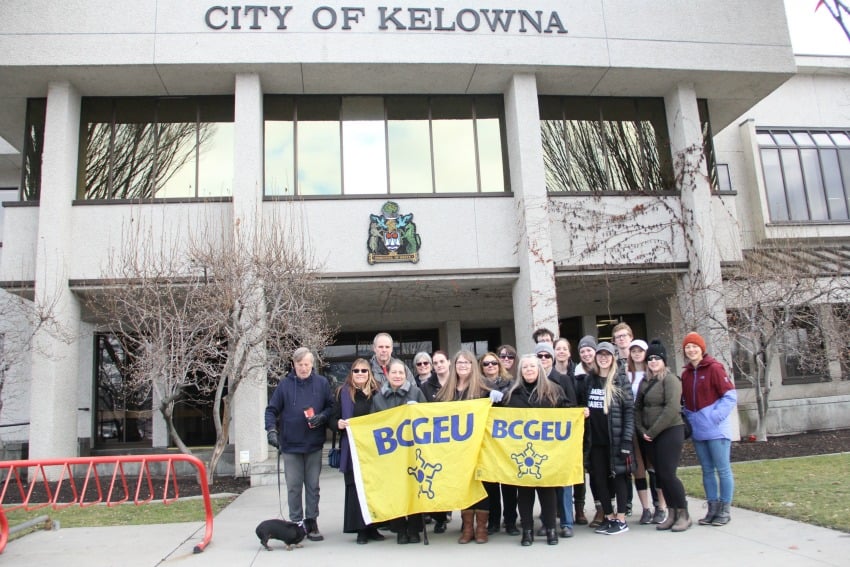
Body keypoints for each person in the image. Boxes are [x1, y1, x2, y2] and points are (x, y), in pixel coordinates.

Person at [264, 347, 334, 542]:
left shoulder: (321, 383)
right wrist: (271, 430)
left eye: (307, 364)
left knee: (313, 486)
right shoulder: (285, 386)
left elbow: (331, 406)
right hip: (290, 445)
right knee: (294, 486)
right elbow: (271, 410)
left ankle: (311, 522)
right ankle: (295, 523)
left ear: (312, 364)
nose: (304, 368)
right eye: (300, 364)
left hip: (313, 444)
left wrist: (322, 417)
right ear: (293, 365)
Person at [501, 353, 568, 546]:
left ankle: (550, 530)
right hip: (522, 453)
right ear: (520, 371)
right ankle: (527, 531)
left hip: (547, 451)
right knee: (525, 493)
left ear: (539, 369)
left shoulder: (553, 390)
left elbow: (567, 411)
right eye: (525, 367)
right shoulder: (512, 394)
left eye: (532, 367)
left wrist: (581, 413)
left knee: (547, 491)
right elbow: (500, 418)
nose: (529, 370)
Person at [681, 332, 737, 527]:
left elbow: (730, 396)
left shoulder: (714, 368)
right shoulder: (686, 374)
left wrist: (714, 416)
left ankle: (724, 509)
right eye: (688, 347)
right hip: (698, 431)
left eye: (694, 346)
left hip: (716, 430)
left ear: (702, 348)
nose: (691, 350)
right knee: (706, 470)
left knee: (723, 470)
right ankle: (712, 508)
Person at [436, 350, 492, 543]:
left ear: (473, 366)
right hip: (457, 449)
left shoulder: (484, 389)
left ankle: (482, 528)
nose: (463, 366)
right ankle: (467, 528)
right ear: (454, 365)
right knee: (465, 486)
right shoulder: (446, 391)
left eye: (467, 363)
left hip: (479, 447)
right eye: (460, 363)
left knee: (481, 484)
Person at [635, 340, 691, 532]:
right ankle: (672, 513)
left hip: (670, 431)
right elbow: (638, 408)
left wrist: (651, 431)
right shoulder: (645, 381)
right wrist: (642, 429)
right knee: (660, 475)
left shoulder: (671, 380)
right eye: (650, 358)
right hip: (650, 435)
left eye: (657, 358)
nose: (653, 361)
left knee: (669, 473)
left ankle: (684, 513)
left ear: (664, 360)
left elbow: (671, 409)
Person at [371, 358, 428, 544]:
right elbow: (373, 423)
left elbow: (427, 417)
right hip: (391, 453)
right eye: (394, 372)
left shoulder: (416, 392)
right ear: (388, 374)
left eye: (401, 373)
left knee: (413, 489)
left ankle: (414, 528)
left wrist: (417, 410)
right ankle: (399, 529)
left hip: (412, 450)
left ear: (406, 375)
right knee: (395, 490)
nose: (397, 376)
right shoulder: (379, 398)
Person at [331, 359, 385, 544]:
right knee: (355, 488)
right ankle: (361, 530)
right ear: (351, 373)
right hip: (352, 447)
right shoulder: (342, 392)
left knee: (373, 487)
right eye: (356, 370)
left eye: (364, 370)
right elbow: (332, 417)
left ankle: (373, 528)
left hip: (373, 448)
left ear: (369, 373)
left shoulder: (378, 391)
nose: (360, 373)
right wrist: (337, 424)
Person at [585, 341, 634, 536]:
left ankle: (621, 518)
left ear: (613, 357)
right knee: (599, 480)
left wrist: (626, 441)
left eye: (607, 355)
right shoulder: (591, 379)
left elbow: (629, 411)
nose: (603, 358)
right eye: (600, 355)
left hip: (616, 439)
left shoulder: (620, 379)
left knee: (619, 477)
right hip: (596, 441)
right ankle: (608, 516)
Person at [535, 341, 577, 538]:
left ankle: (567, 523)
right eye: (540, 356)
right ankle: (547, 521)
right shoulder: (531, 381)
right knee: (544, 483)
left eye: (547, 356)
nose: (543, 359)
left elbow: (571, 407)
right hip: (539, 441)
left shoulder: (563, 380)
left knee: (564, 482)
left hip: (560, 440)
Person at [626, 339, 667, 525]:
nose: (636, 354)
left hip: (651, 425)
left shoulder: (655, 374)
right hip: (633, 427)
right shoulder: (626, 374)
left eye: (640, 350)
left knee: (655, 468)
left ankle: (661, 506)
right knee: (639, 469)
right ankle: (645, 508)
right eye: (633, 350)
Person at [479, 352, 513, 535]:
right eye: (486, 364)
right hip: (486, 441)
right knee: (490, 484)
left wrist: (505, 395)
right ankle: (493, 521)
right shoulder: (478, 385)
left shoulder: (510, 382)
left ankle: (510, 521)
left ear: (499, 365)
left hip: (506, 440)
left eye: (493, 362)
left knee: (508, 483)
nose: (490, 366)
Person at [419, 349, 452, 533]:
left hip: (456, 438)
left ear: (448, 362)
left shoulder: (458, 383)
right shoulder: (426, 386)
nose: (439, 365)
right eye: (435, 362)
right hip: (435, 439)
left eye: (441, 361)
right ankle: (440, 518)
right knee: (437, 479)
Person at [572, 335, 597, 526]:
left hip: (600, 427)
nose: (586, 353)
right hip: (580, 427)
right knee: (578, 468)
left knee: (597, 470)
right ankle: (579, 509)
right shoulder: (574, 375)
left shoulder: (603, 373)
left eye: (589, 350)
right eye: (583, 351)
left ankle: (602, 508)